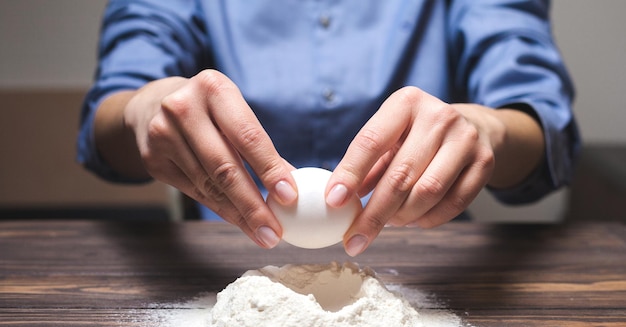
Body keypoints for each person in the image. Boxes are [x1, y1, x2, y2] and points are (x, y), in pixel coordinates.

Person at [78, 0, 580, 257]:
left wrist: (486, 127)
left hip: (429, 262)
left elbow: (544, 129)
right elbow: (108, 127)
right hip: (225, 263)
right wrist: (145, 107)